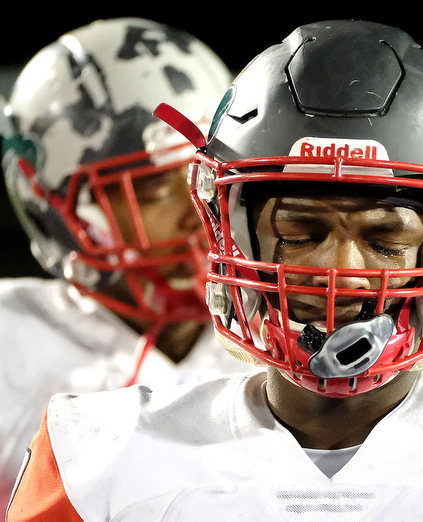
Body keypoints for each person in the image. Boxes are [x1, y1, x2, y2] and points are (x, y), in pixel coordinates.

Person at [8, 20, 423, 521]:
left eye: (386, 236)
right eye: (301, 231)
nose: (343, 271)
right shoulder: (89, 458)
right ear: (232, 229)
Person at [0, 17, 257, 506]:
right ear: (58, 210)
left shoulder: (297, 330)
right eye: (157, 188)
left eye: (212, 178)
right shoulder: (11, 345)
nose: (199, 211)